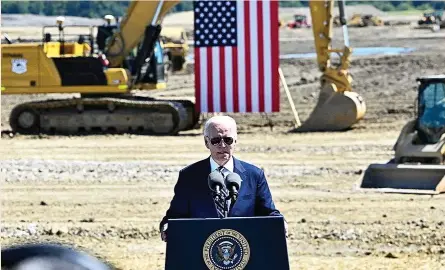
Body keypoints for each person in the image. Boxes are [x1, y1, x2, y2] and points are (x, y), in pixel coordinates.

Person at [159, 115, 286, 242]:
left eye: (228, 140)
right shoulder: (189, 176)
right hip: (201, 249)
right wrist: (167, 227)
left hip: (245, 250)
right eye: (216, 140)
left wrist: (281, 223)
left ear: (235, 141)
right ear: (206, 142)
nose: (222, 145)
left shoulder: (254, 175)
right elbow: (175, 217)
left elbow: (268, 213)